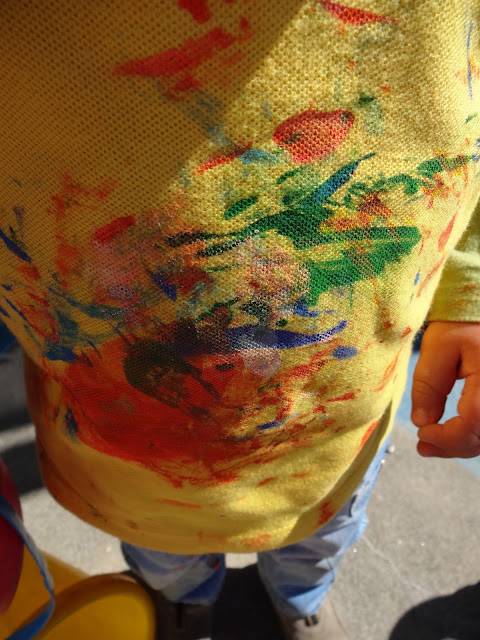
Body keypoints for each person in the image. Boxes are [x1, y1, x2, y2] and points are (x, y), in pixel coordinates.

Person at [1, 1, 480, 638]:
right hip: (123, 459)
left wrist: (470, 291)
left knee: (318, 542)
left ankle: (300, 598)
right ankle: (182, 600)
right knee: (163, 556)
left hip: (335, 438)